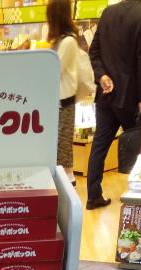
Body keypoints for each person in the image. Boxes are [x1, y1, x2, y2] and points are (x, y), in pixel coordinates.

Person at [86, 0, 141, 210]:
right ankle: (137, 197)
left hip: (106, 94)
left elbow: (94, 51)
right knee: (138, 148)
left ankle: (93, 196)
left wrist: (101, 76)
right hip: (131, 97)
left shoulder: (108, 12)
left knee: (99, 146)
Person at [47, 0, 79, 187]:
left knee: (63, 152)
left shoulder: (68, 41)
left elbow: (54, 68)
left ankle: (69, 191)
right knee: (60, 150)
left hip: (64, 102)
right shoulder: (61, 40)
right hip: (57, 102)